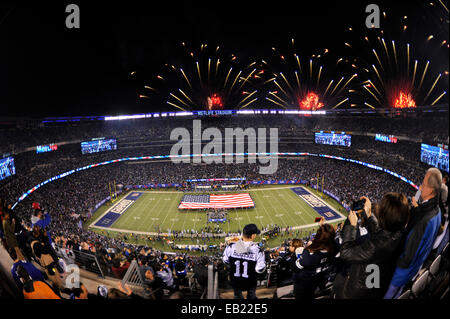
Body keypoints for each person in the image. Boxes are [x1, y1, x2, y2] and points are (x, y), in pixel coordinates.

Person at [332, 194, 410, 299]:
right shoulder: (398, 233)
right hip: (374, 279)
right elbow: (382, 234)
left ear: (384, 216)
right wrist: (369, 215)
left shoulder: (376, 246)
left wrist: (352, 226)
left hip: (359, 291)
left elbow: (346, 253)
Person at [384, 168, 443, 298]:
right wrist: (417, 209)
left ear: (431, 190)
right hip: (413, 270)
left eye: (423, 184)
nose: (420, 187)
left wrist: (392, 261)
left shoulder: (424, 221)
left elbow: (407, 257)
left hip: (401, 274)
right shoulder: (437, 211)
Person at [291, 218, 337, 299]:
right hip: (317, 279)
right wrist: (323, 228)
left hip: (304, 285)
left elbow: (294, 267)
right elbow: (330, 240)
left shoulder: (309, 256)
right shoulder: (334, 248)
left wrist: (306, 249)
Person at [222, 223, 266, 299]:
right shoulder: (257, 250)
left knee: (237, 296)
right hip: (250, 282)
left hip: (235, 280)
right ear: (253, 236)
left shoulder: (231, 247)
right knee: (251, 296)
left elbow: (226, 261)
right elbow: (259, 269)